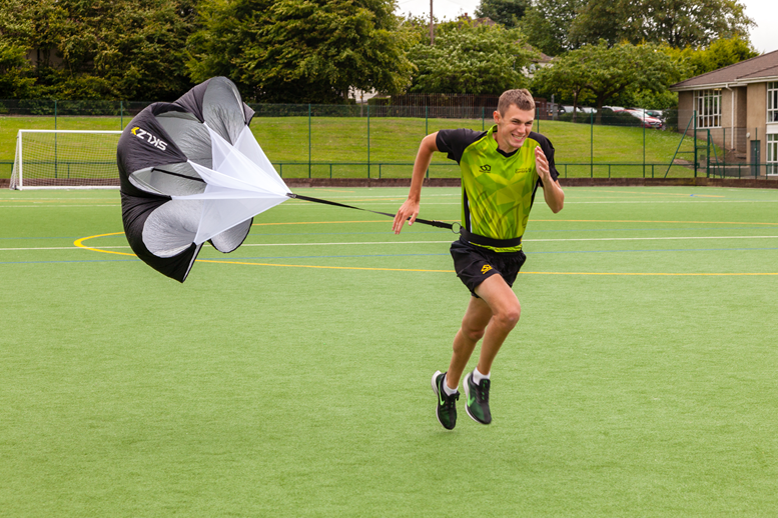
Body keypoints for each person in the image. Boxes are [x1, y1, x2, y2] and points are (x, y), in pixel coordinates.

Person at [392, 89, 564, 430]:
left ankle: (448, 386)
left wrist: (546, 178)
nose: (522, 130)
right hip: (472, 251)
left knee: (472, 330)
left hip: (510, 255)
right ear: (497, 118)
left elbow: (557, 204)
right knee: (510, 311)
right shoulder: (468, 143)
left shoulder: (539, 147)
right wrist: (414, 197)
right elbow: (427, 143)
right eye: (515, 121)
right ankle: (479, 379)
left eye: (529, 123)